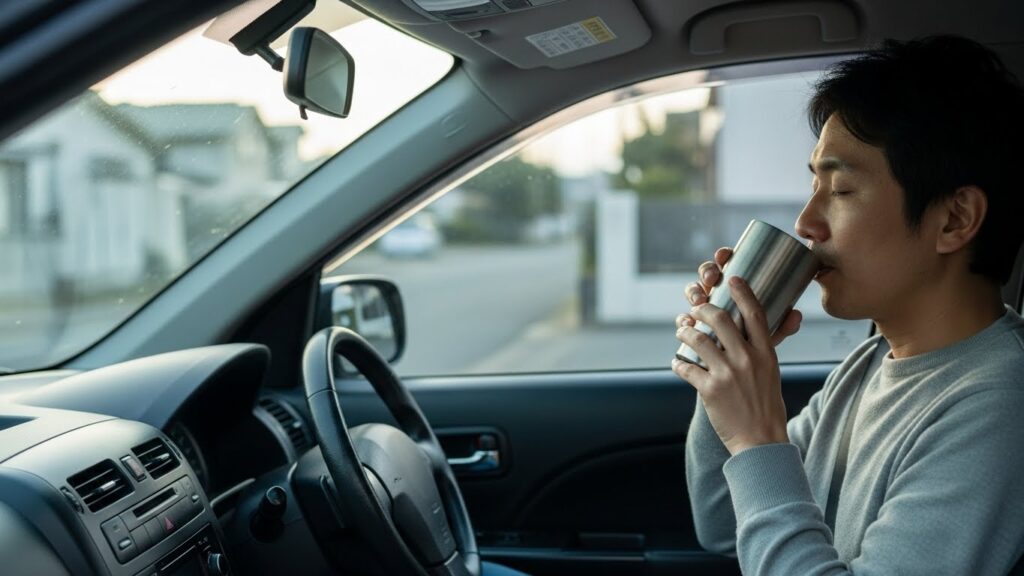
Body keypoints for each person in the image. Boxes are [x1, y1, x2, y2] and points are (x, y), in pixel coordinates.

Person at [672, 36, 1024, 575]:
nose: (806, 223)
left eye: (839, 190)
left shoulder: (998, 408)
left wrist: (756, 435)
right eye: (814, 185)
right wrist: (725, 370)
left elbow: (755, 491)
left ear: (954, 220)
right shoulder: (870, 365)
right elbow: (723, 524)